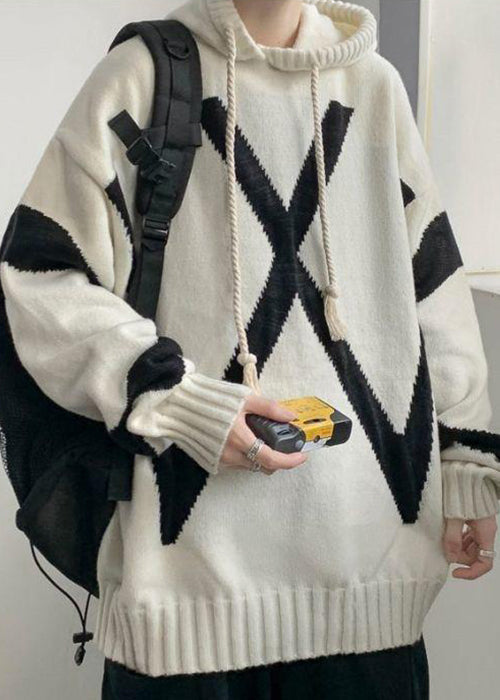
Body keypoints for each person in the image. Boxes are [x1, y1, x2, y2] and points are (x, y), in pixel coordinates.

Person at [1, 0, 499, 698]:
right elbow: (40, 273)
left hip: (368, 591)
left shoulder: (375, 88)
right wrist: (182, 401)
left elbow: (433, 290)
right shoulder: (144, 76)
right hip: (183, 609)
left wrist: (467, 465)